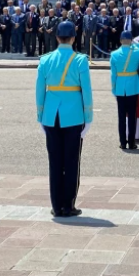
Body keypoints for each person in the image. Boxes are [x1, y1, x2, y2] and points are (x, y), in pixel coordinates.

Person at [35, 21, 93, 218]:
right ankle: (68, 205)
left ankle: (56, 204)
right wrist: (89, 117)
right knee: (71, 161)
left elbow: (39, 92)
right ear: (73, 38)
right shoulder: (80, 60)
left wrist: (40, 115)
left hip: (51, 115)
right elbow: (86, 91)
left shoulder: (45, 60)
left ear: (57, 37)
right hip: (74, 115)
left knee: (55, 161)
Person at [109, 31, 139, 149]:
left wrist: (113, 88)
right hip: (133, 86)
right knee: (132, 117)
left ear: (120, 40)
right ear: (131, 40)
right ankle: (132, 142)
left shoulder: (114, 54)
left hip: (120, 87)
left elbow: (113, 75)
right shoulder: (137, 53)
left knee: (121, 117)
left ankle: (123, 142)